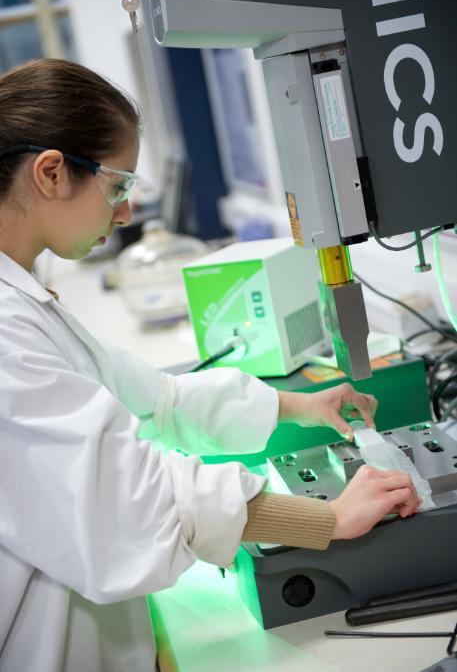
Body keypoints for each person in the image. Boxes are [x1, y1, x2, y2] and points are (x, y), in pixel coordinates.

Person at [0, 59, 421, 672]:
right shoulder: (6, 329)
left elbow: (153, 398)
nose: (124, 213)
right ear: (51, 172)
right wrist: (325, 519)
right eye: (117, 187)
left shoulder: (24, 298)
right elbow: (130, 498)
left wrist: (296, 404)